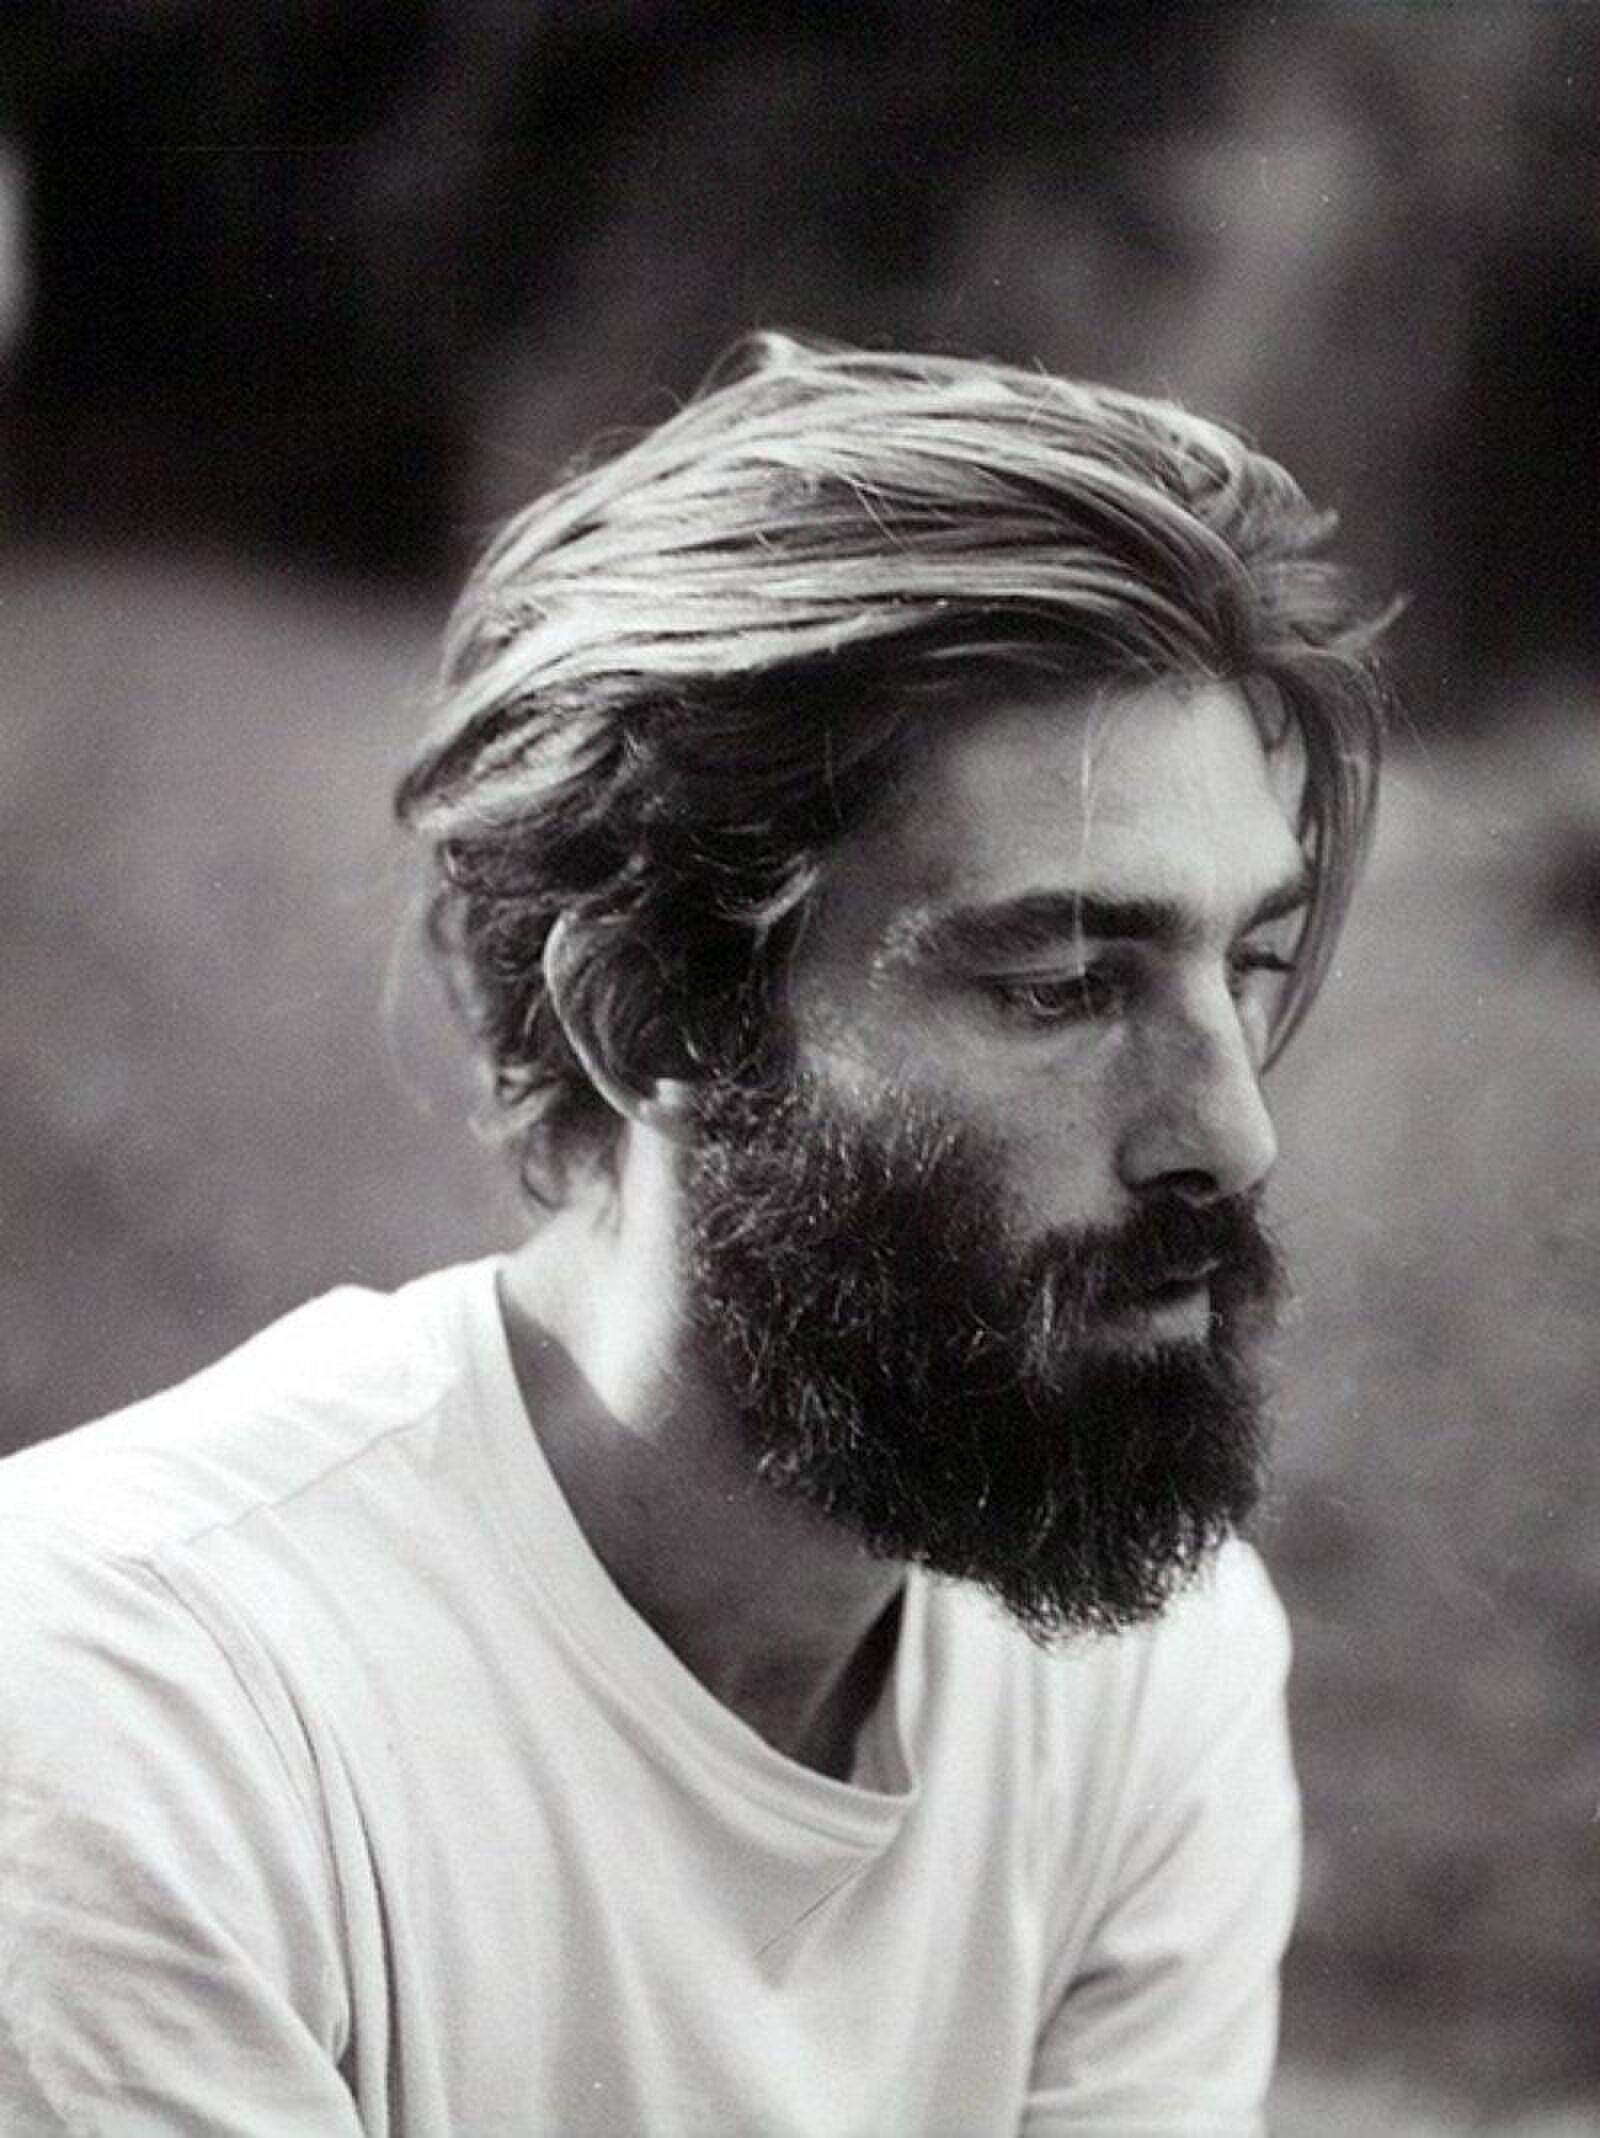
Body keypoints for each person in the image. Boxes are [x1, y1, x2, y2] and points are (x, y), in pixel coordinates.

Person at [0, 335, 1391, 2135]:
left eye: (1249, 963)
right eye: (1061, 983)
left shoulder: (1147, 1677)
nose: (1231, 1126)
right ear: (649, 1013)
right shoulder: (140, 1710)